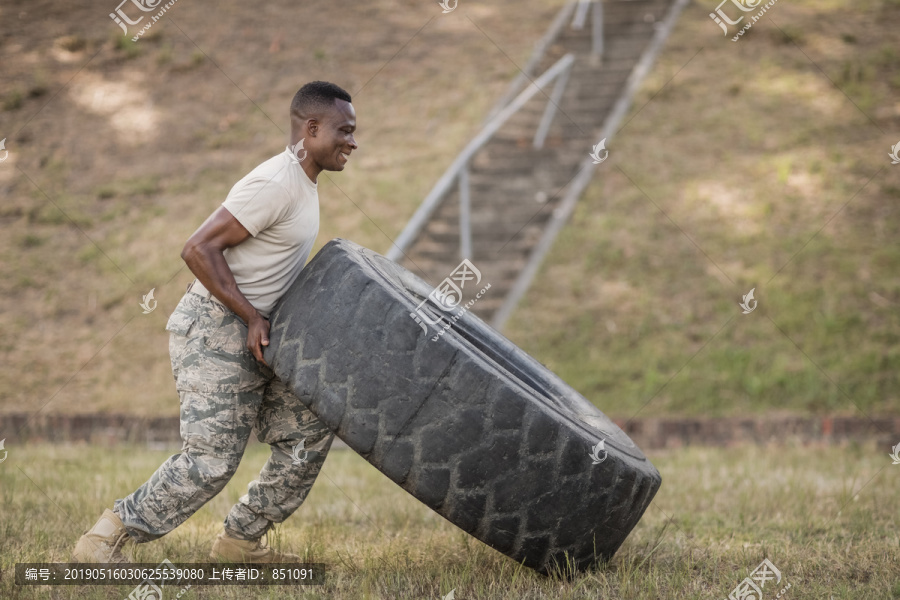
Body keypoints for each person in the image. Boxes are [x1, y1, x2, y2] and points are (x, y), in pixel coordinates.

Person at [73, 81, 358, 564]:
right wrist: (249, 316)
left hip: (258, 337)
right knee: (211, 461)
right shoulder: (275, 183)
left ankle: (239, 543)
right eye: (344, 131)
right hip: (214, 329)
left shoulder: (303, 184)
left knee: (309, 432)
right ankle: (103, 538)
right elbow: (197, 248)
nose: (353, 142)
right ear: (311, 129)